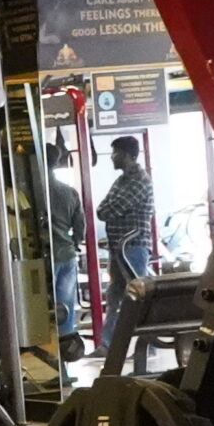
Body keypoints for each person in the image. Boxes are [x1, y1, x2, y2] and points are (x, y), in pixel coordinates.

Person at [96, 135, 154, 352]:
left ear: (128, 155)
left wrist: (107, 209)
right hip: (119, 248)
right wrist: (107, 209)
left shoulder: (139, 181)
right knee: (114, 297)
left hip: (133, 247)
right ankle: (106, 345)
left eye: (116, 153)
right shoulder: (121, 181)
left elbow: (111, 209)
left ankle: (148, 345)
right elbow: (102, 209)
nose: (112, 157)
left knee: (139, 296)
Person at [45, 145, 87, 361]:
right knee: (65, 308)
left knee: (44, 307)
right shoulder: (69, 192)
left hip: (44, 257)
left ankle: (47, 354)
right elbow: (80, 226)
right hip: (67, 254)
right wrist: (74, 242)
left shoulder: (32, 189)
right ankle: (65, 356)